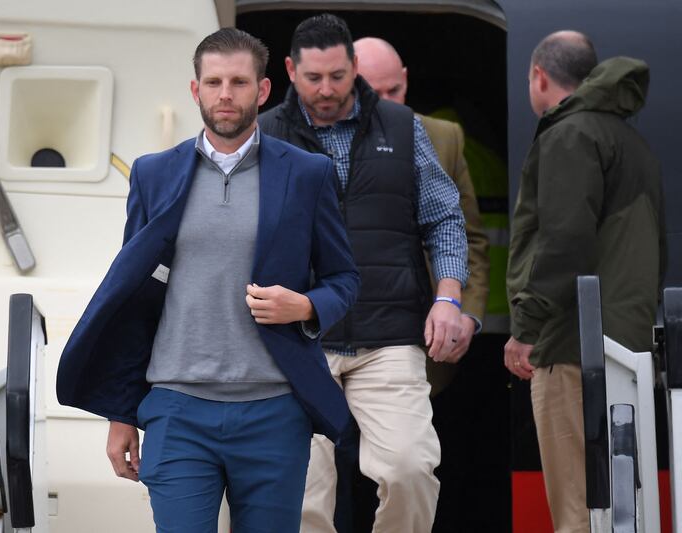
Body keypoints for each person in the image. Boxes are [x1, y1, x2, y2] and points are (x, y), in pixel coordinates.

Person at [56, 27, 360, 531]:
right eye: (214, 82)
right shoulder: (153, 174)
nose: (226, 94)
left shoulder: (307, 173)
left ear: (263, 91)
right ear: (195, 90)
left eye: (239, 82)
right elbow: (133, 300)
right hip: (176, 411)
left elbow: (343, 278)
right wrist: (120, 412)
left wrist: (304, 306)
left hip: (275, 411)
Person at [258, 14, 468, 532]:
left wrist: (448, 298)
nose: (326, 90)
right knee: (301, 489)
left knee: (410, 469)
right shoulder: (264, 135)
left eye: (337, 75)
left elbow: (444, 216)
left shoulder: (401, 126)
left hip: (390, 336)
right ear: (290, 70)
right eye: (313, 78)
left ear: (354, 67)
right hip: (297, 340)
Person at [505, 31, 666, 533]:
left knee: (577, 504)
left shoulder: (569, 136)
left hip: (572, 346)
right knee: (624, 506)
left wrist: (526, 328)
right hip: (625, 346)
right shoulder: (628, 140)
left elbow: (563, 242)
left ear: (539, 76)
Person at [353, 35, 492, 531]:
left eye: (394, 90)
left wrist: (465, 312)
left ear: (406, 80)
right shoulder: (310, 136)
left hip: (423, 346)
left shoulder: (444, 137)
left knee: (416, 470)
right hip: (333, 338)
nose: (386, 103)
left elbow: (469, 237)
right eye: (373, 92)